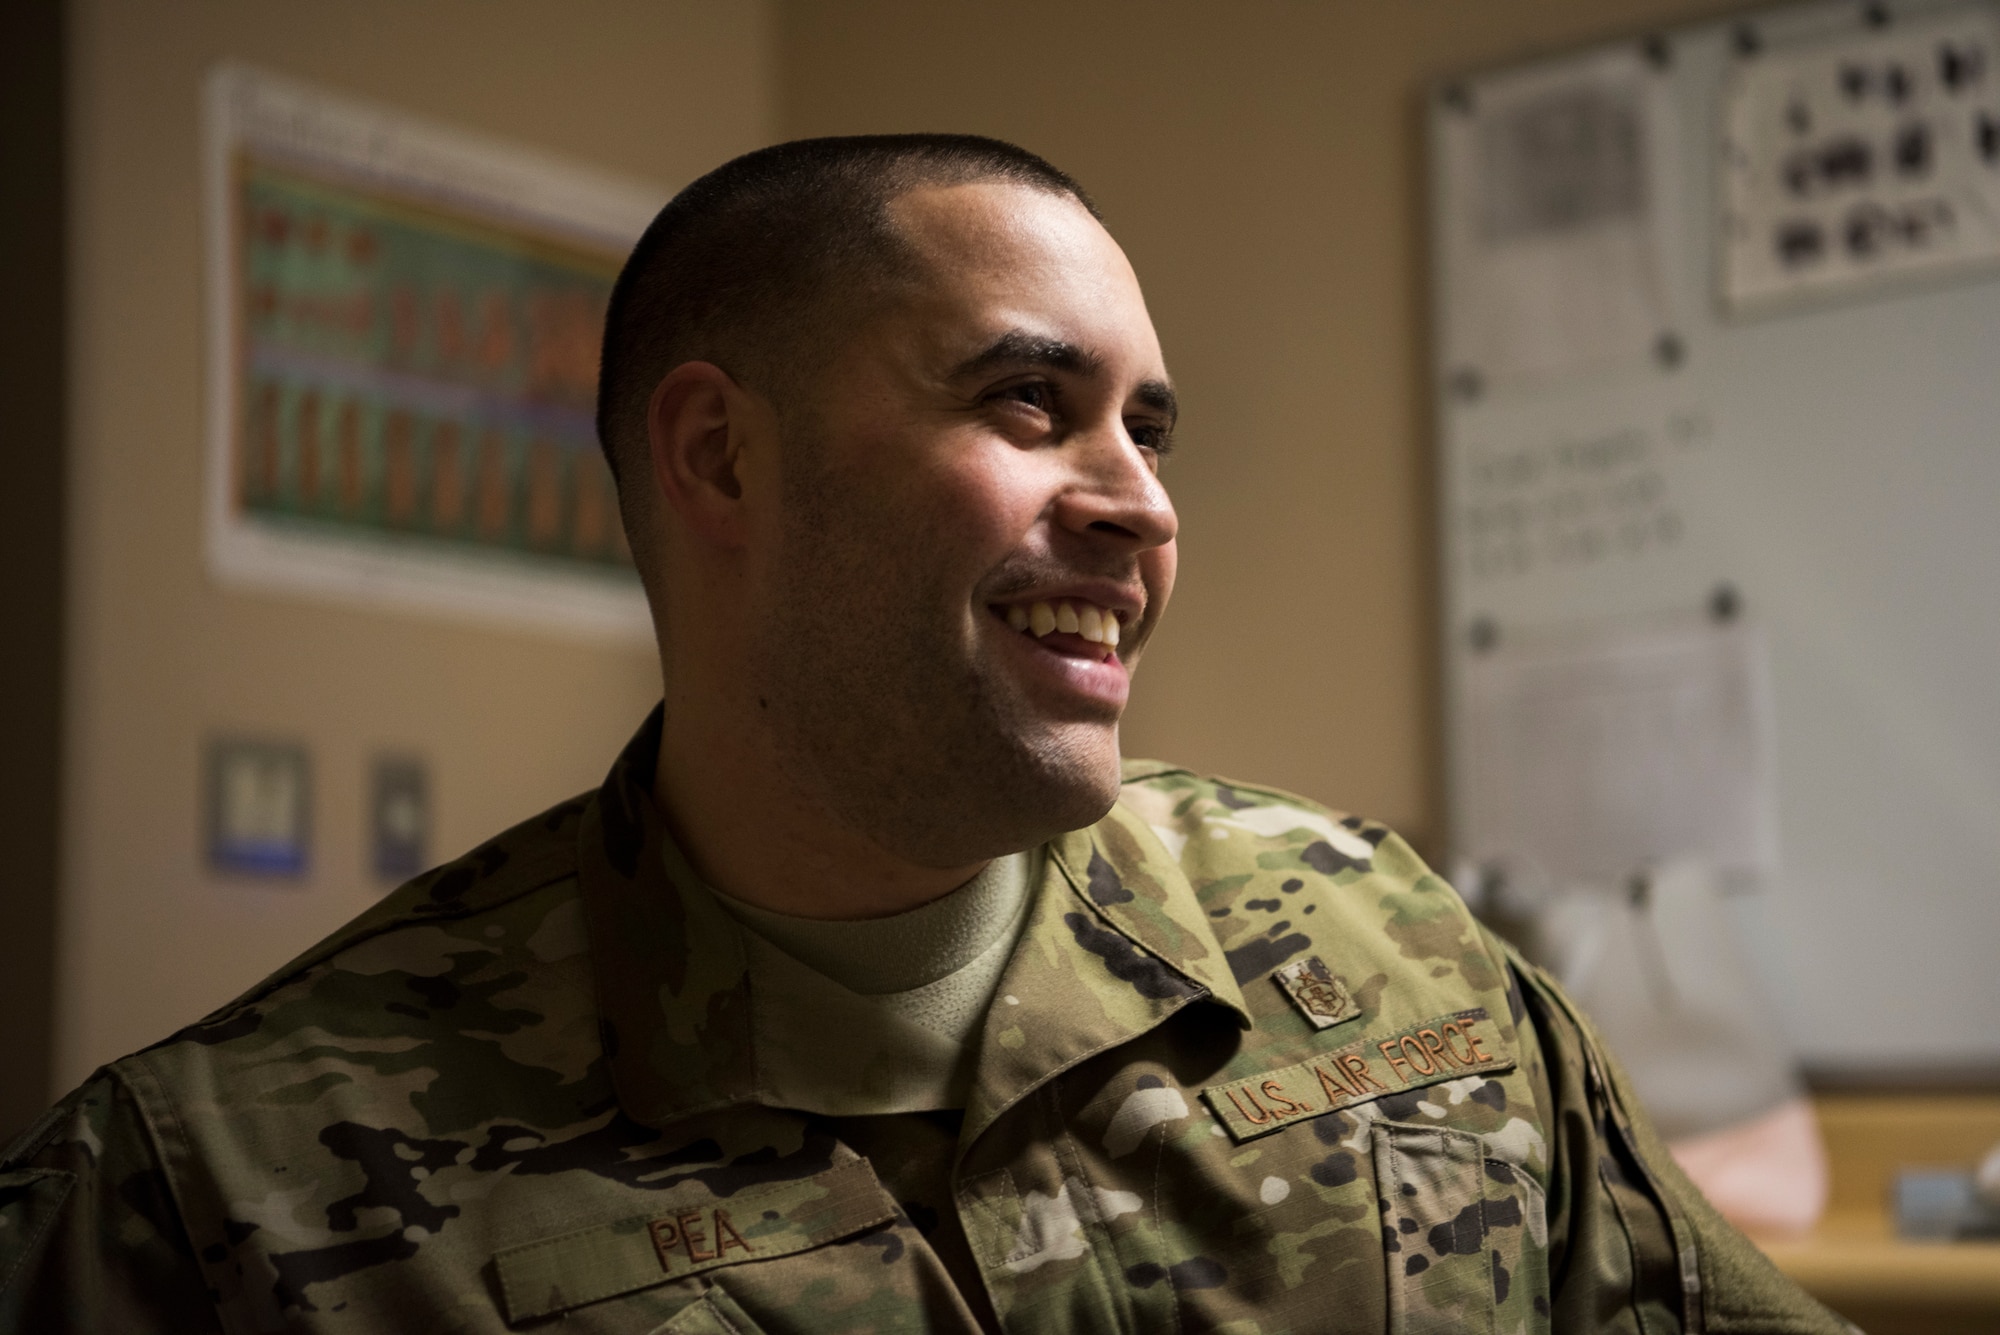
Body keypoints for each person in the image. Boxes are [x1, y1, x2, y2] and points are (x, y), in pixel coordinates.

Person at [0, 136, 1848, 1334]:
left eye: (1152, 430)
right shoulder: (208, 1200)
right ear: (723, 457)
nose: (1140, 508)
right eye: (1032, 406)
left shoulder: (1393, 956)